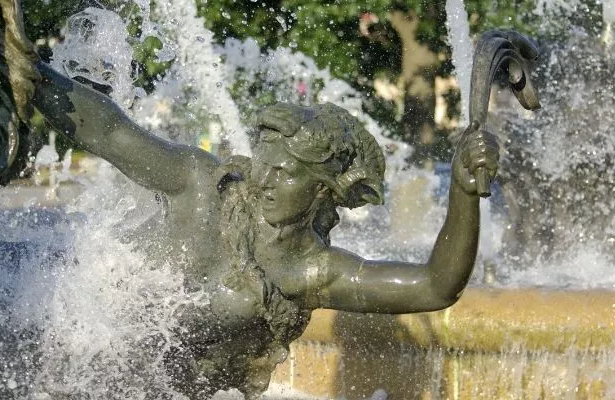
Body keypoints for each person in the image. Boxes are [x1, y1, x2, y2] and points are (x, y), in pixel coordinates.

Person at [32, 61, 498, 399]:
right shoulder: (202, 185)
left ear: (324, 191)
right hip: (68, 365)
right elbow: (110, 133)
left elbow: (436, 285)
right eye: (265, 164)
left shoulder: (313, 274)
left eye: (286, 174)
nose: (264, 180)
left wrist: (462, 190)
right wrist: (30, 74)